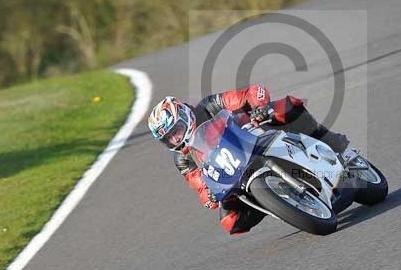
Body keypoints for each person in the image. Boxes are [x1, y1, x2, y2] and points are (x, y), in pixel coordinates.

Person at [147, 85, 352, 234]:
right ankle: (280, 205)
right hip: (232, 174)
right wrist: (208, 196)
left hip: (255, 136)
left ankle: (329, 140)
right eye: (169, 138)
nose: (175, 138)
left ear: (185, 115)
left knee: (284, 108)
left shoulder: (209, 105)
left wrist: (260, 107)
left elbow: (251, 92)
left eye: (177, 130)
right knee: (230, 221)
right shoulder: (182, 158)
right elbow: (199, 184)